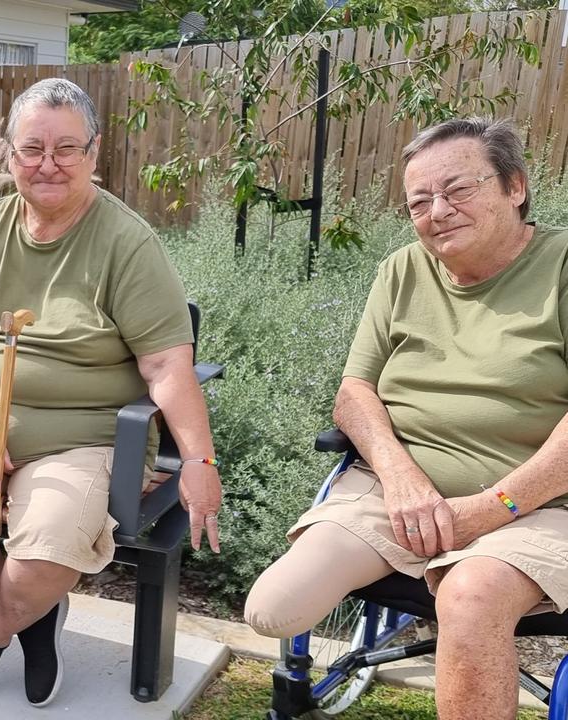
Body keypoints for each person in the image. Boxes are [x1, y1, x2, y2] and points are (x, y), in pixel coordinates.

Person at [0, 78, 223, 708]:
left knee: (47, 552)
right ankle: (34, 616)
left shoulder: (126, 242)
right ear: (10, 155)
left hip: (81, 438)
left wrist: (198, 460)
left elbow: (170, 363)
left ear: (94, 154)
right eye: (32, 148)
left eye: (67, 149)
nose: (48, 164)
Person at [243, 118, 568, 720]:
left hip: (541, 503)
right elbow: (354, 390)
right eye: (420, 201)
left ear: (515, 186)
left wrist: (492, 507)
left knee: (471, 601)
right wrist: (401, 478)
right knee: (274, 607)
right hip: (401, 494)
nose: (438, 211)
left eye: (458, 191)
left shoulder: (562, 267)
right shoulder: (402, 269)